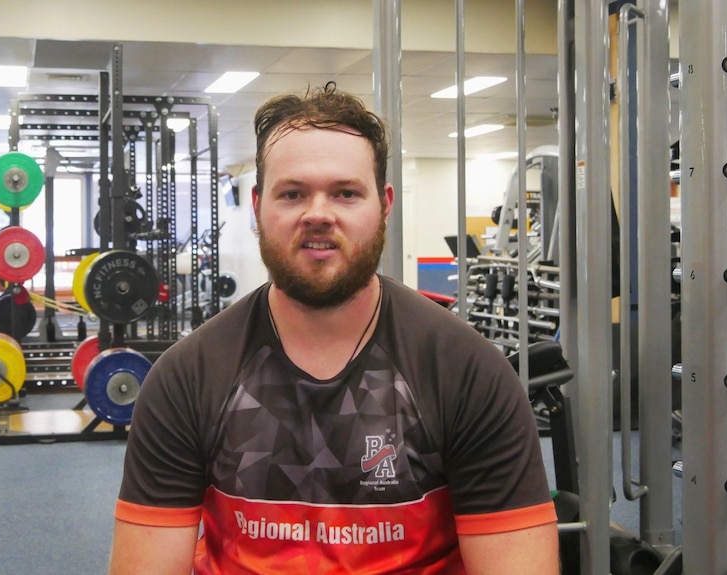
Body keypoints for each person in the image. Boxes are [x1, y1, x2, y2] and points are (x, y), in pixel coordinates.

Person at [109, 82, 559, 574]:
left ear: (384, 205)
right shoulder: (187, 377)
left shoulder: (467, 371)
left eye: (345, 193)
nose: (318, 214)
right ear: (259, 206)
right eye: (293, 193)